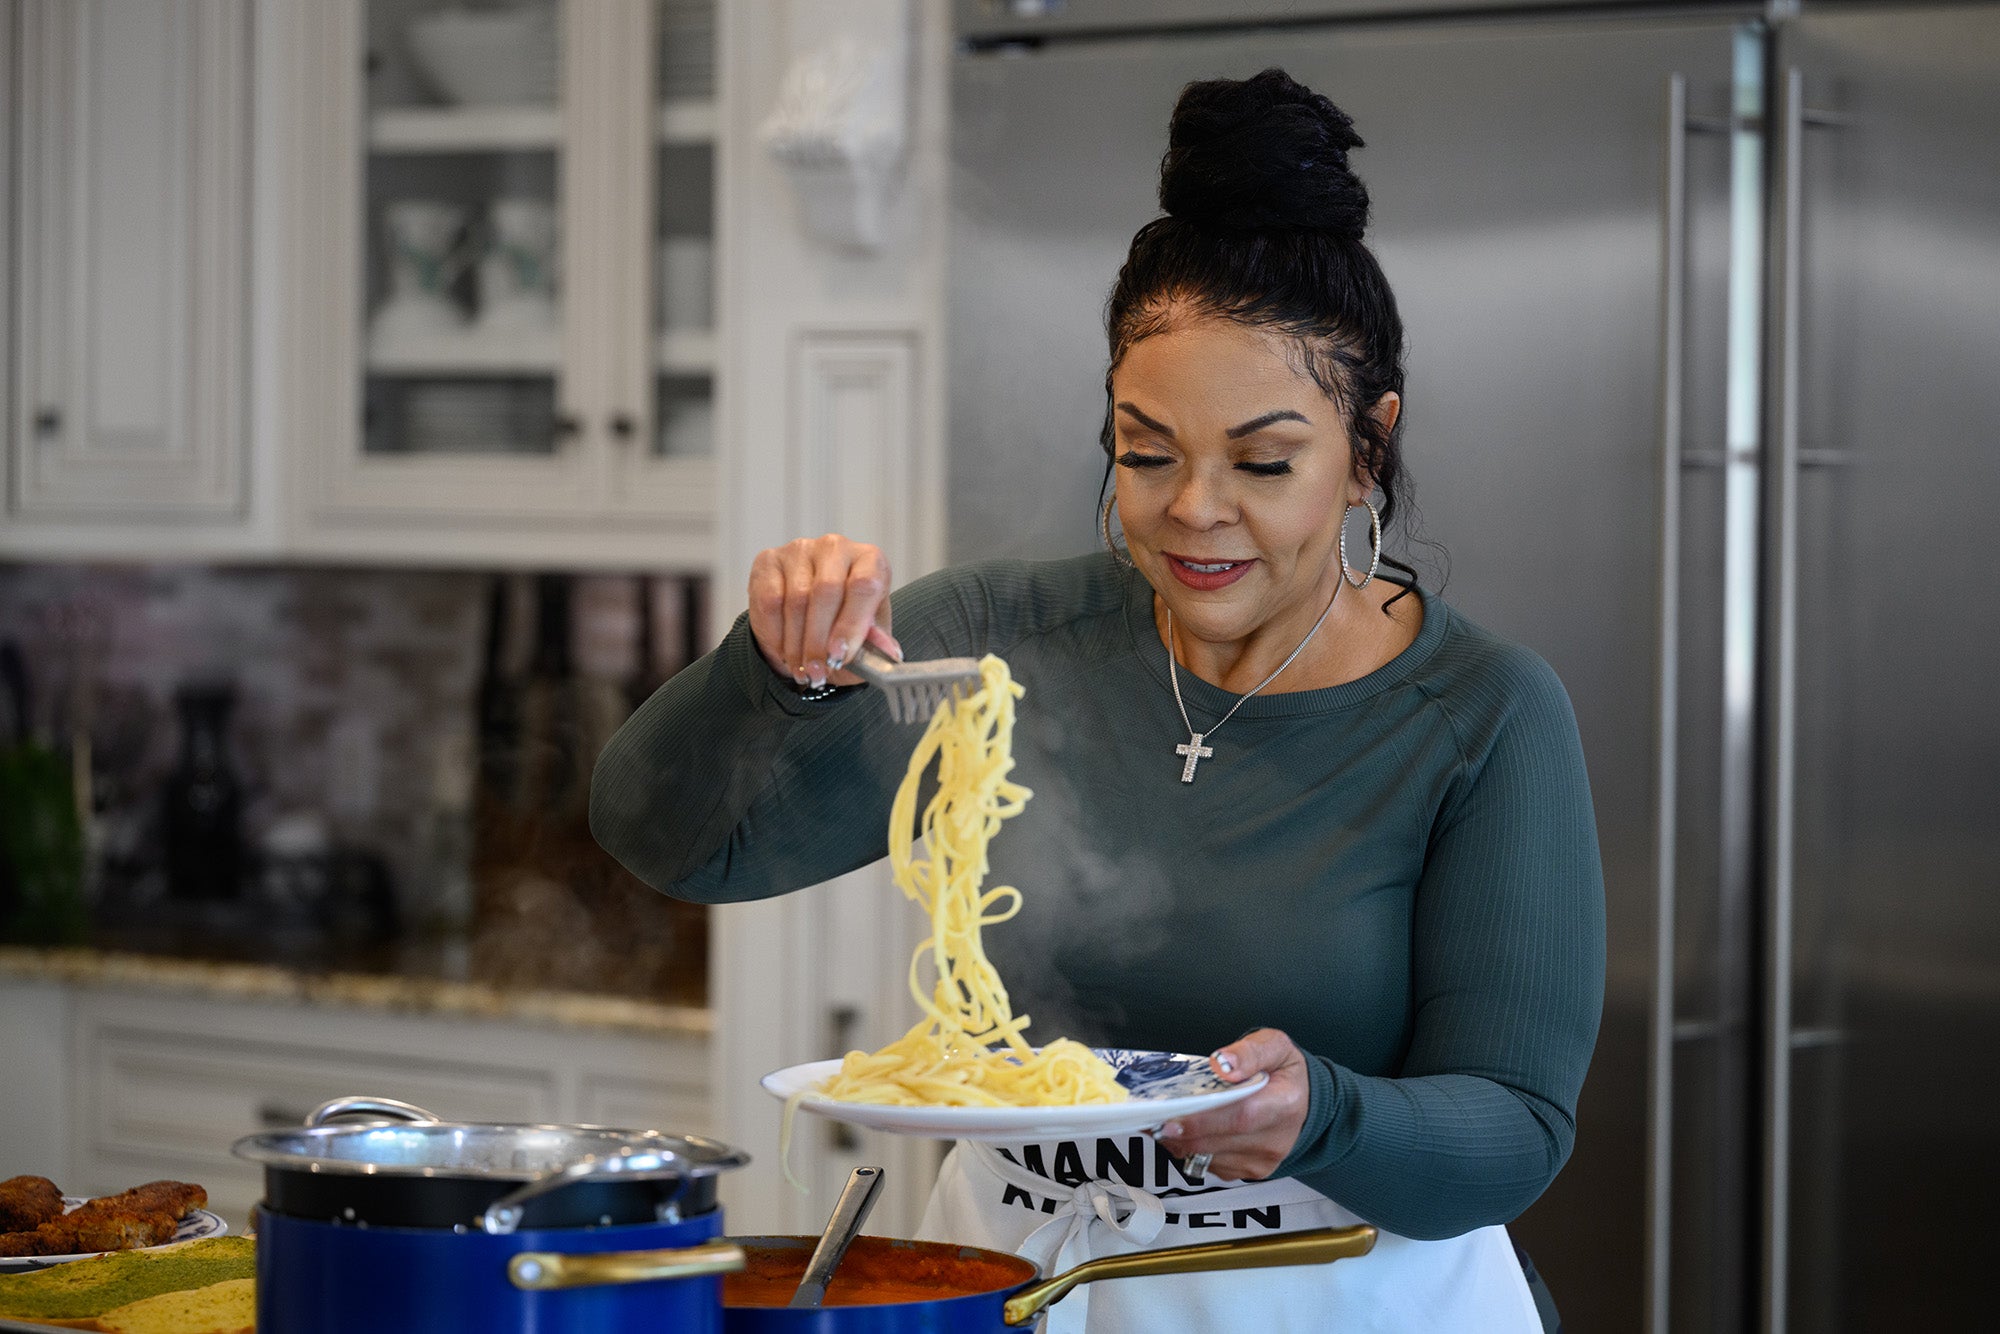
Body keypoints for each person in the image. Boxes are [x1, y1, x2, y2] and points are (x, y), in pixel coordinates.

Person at [592, 68, 1602, 1334]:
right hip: (1019, 1289)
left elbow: (1512, 1127)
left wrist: (1322, 1111)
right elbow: (674, 842)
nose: (1193, 507)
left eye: (1263, 460)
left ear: (1369, 451)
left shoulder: (1480, 711)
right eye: (1145, 450)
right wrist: (772, 663)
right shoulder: (993, 645)